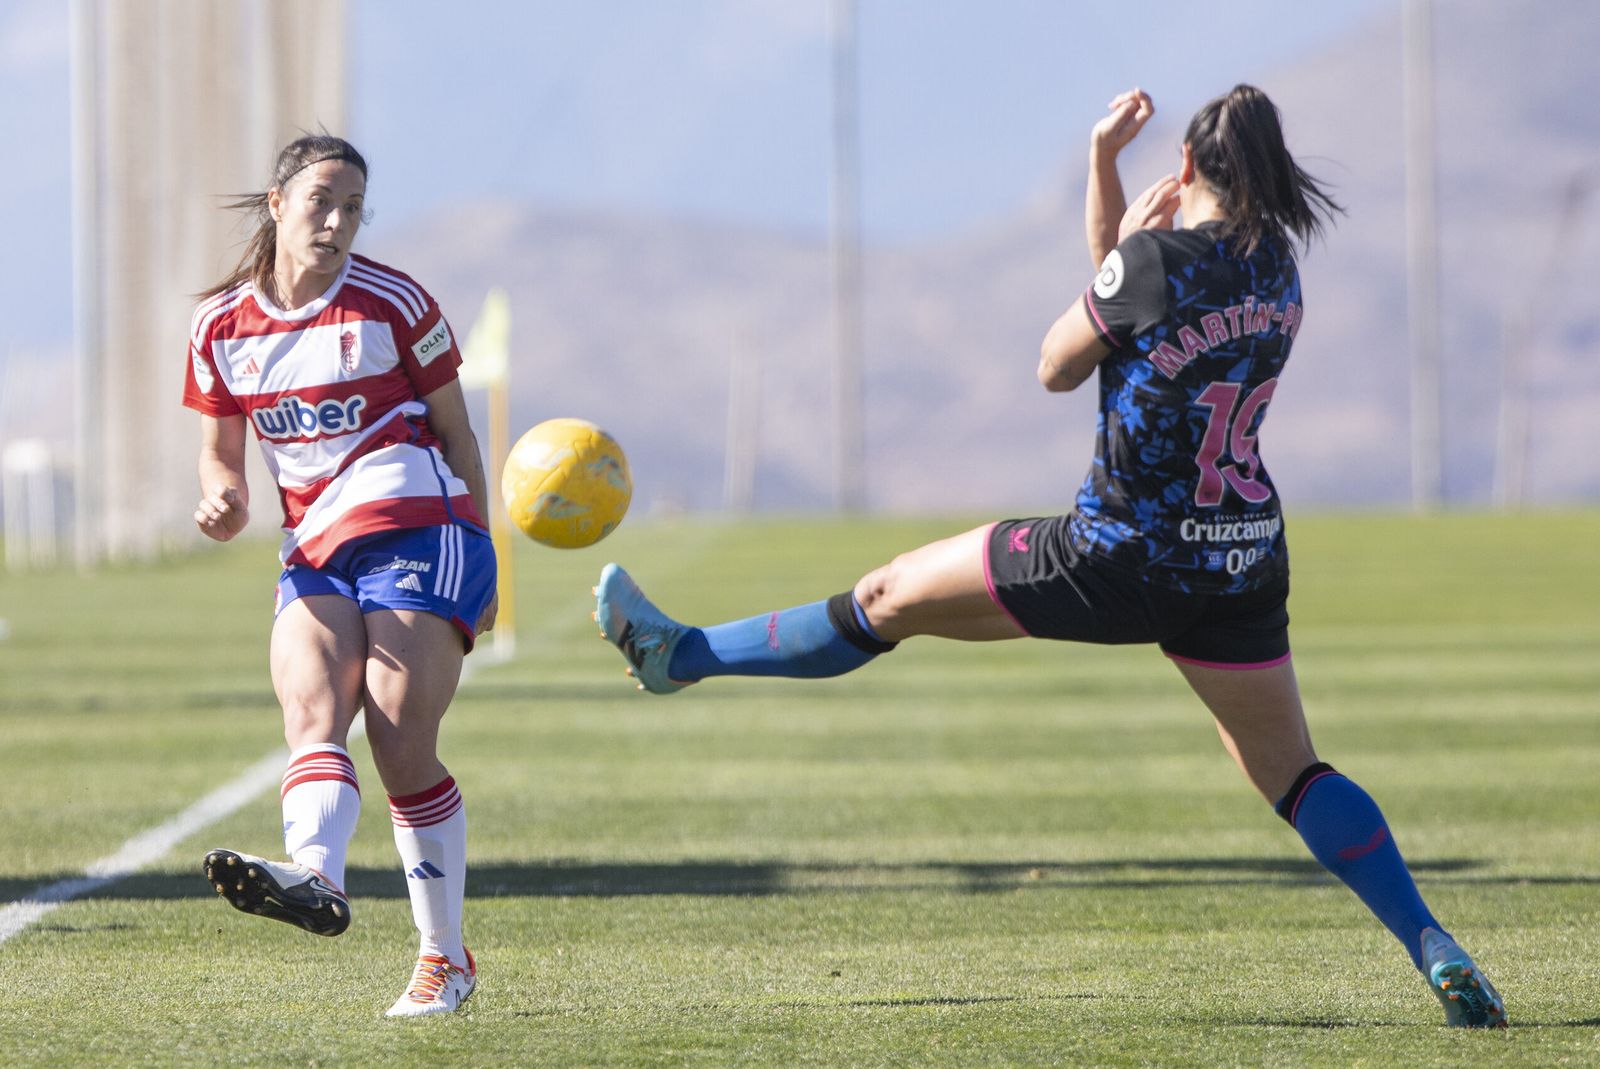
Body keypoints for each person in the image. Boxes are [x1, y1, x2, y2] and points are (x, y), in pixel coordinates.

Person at [594, 86, 1507, 1028]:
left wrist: (1113, 195)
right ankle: (1431, 942)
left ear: (1186, 167)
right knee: (1296, 774)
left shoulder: (1155, 259)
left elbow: (1058, 361)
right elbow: (1136, 312)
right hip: (1236, 558)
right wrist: (1110, 194)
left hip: (1113, 553)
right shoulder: (1278, 266)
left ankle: (681, 657)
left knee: (887, 593)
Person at [184, 134, 496, 1018]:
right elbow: (220, 457)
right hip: (313, 546)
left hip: (420, 527)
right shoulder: (219, 329)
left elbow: (459, 434)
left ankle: (445, 958)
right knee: (313, 710)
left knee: (400, 742)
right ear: (277, 202)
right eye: (322, 200)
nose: (337, 220)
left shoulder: (393, 301)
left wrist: (482, 548)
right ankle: (314, 876)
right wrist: (223, 500)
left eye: (354, 207)